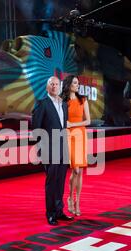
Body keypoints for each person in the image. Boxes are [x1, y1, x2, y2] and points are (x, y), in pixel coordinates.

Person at [31, 76, 74, 225]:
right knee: (51, 182)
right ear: (47, 87)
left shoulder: (63, 104)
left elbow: (63, 126)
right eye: (52, 84)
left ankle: (59, 211)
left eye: (57, 84)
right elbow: (36, 128)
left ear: (60, 87)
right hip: (49, 149)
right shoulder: (42, 103)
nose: (55, 86)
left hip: (63, 148)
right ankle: (50, 214)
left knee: (60, 182)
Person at [60, 75, 91, 216]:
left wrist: (73, 124)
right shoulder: (63, 101)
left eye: (78, 83)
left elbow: (88, 121)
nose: (77, 85)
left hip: (80, 135)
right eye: (74, 83)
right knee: (76, 170)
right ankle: (70, 198)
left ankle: (77, 201)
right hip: (67, 135)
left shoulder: (83, 100)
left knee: (79, 171)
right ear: (68, 84)